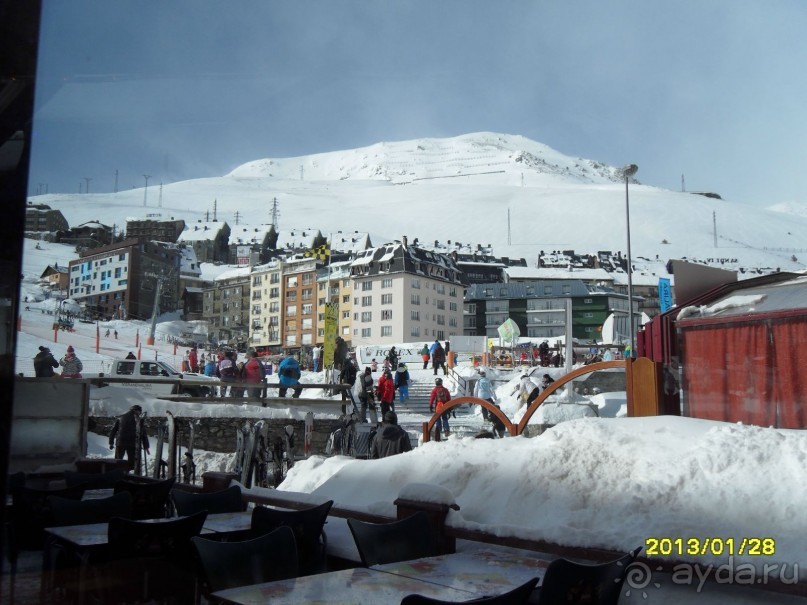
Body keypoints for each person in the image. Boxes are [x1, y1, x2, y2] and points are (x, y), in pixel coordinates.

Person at [108, 404, 150, 470]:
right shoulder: (138, 420)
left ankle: (117, 473)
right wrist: (146, 446)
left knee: (117, 460)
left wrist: (111, 442)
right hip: (132, 443)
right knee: (132, 462)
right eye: (140, 411)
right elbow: (143, 433)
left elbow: (113, 431)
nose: (140, 413)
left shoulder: (121, 418)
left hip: (120, 442)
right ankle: (127, 474)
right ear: (136, 411)